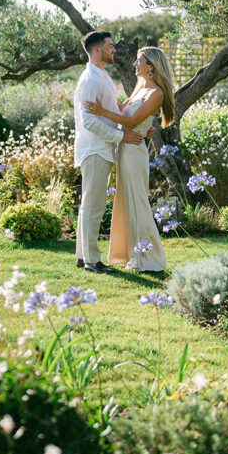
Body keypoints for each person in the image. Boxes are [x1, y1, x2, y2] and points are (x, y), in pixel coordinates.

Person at [84, 47, 176, 271]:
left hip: (135, 152)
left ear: (150, 66)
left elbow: (132, 119)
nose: (135, 64)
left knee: (138, 202)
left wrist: (100, 111)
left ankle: (149, 258)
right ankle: (132, 255)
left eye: (139, 61)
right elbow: (122, 111)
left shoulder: (156, 93)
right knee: (126, 202)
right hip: (125, 149)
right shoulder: (140, 89)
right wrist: (104, 106)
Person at [74, 31, 147, 273]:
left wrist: (144, 123)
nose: (114, 49)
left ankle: (83, 256)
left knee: (91, 204)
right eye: (110, 46)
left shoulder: (102, 76)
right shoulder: (91, 80)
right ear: (97, 50)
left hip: (102, 148)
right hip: (95, 149)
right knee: (93, 206)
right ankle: (92, 261)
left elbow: (113, 109)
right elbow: (90, 122)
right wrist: (121, 136)